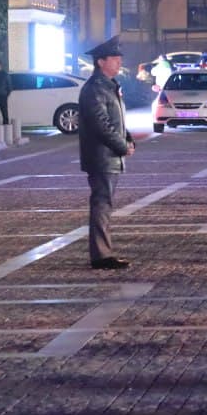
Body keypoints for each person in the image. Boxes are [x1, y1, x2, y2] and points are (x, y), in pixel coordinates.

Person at [79, 35, 135, 271]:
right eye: (114, 58)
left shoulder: (109, 86)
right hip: (102, 156)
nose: (119, 62)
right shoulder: (94, 88)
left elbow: (117, 121)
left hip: (110, 156)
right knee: (102, 204)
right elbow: (101, 125)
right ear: (100, 62)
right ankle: (101, 255)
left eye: (119, 58)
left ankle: (104, 252)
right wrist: (122, 146)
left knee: (105, 203)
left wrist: (128, 139)